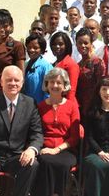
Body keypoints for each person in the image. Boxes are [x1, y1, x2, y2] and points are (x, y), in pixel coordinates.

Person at [0, 66, 43, 196]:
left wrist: (31, 149)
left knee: (32, 164)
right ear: (1, 82)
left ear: (22, 83)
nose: (13, 83)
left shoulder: (30, 103)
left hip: (16, 155)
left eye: (17, 80)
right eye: (8, 80)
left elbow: (37, 133)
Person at [33, 68, 80, 196]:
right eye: (52, 82)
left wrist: (56, 150)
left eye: (59, 83)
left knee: (62, 163)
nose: (55, 85)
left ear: (65, 86)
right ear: (47, 84)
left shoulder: (72, 106)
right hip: (45, 148)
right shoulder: (40, 106)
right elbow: (36, 132)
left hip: (66, 150)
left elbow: (75, 137)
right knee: (46, 162)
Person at [83, 77, 109, 196]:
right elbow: (89, 136)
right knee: (97, 166)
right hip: (95, 152)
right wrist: (100, 152)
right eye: (104, 89)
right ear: (99, 91)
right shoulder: (91, 112)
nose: (107, 93)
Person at [0, 9, 26, 96]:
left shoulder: (17, 46)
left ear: (11, 26)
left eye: (5, 26)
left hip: (8, 93)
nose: (2, 29)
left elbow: (20, 74)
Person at [75, 28, 105, 118]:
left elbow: (101, 86)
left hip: (94, 109)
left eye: (86, 43)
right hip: (80, 108)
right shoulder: (77, 65)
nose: (83, 46)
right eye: (80, 43)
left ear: (91, 44)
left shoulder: (97, 63)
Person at [23, 34, 53, 104]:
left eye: (35, 48)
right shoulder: (26, 64)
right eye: (29, 47)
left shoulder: (46, 66)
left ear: (42, 50)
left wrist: (45, 107)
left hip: (40, 107)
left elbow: (48, 91)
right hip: (27, 106)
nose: (31, 50)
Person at [50, 31, 80, 102]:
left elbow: (71, 91)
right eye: (54, 44)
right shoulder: (53, 64)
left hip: (66, 104)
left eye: (60, 44)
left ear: (67, 46)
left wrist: (67, 109)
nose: (57, 46)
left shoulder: (71, 64)